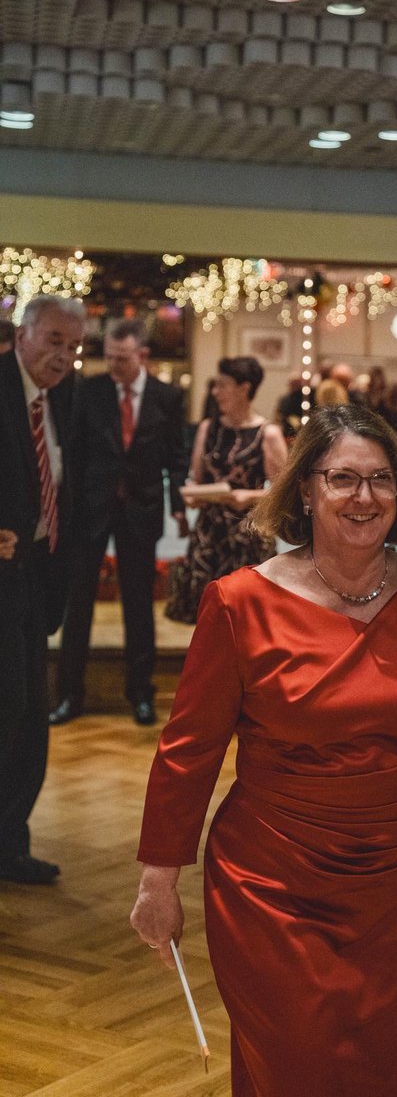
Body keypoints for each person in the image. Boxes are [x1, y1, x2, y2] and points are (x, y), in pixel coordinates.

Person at [129, 403, 397, 1096]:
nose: (364, 497)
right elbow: (188, 751)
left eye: (382, 479)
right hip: (271, 878)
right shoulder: (240, 602)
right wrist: (157, 883)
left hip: (395, 879)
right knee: (295, 1063)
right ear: (306, 490)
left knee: (385, 1064)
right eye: (342, 478)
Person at [50, 319, 188, 727]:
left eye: (121, 358)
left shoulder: (167, 396)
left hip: (141, 510)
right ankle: (69, 695)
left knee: (139, 605)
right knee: (78, 604)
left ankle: (140, 693)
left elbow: (176, 456)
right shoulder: (88, 390)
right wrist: (67, 507)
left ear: (142, 355)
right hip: (90, 511)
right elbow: (73, 453)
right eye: (108, 357)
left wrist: (178, 506)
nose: (113, 365)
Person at [0, 295, 86, 883]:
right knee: (9, 707)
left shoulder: (63, 398)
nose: (64, 356)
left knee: (32, 716)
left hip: (35, 573)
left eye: (73, 347)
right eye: (54, 341)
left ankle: (10, 846)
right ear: (22, 334)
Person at [165, 356, 287, 624]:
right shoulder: (209, 428)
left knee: (248, 617)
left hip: (248, 534)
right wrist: (193, 495)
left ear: (244, 388)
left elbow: (284, 492)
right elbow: (197, 479)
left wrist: (249, 496)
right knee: (208, 617)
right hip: (210, 534)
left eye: (223, 385)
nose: (215, 392)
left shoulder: (267, 434)